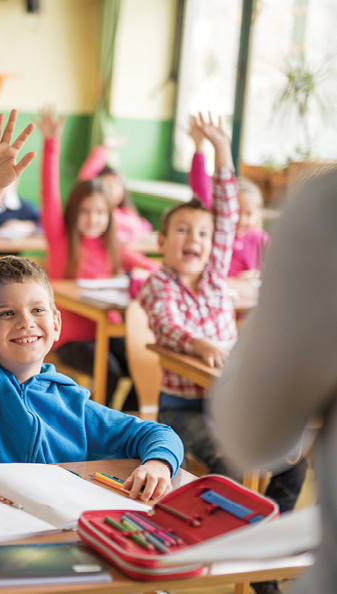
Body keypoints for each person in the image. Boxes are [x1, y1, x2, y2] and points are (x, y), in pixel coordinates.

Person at [0, 109, 183, 501]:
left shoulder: (73, 402)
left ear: (56, 323)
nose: (26, 323)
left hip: (51, 536)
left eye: (38, 311)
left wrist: (158, 462)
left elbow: (159, 433)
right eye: (6, 313)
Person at [139, 113, 306, 594]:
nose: (195, 240)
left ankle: (266, 545)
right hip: (183, 410)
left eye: (203, 235)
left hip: (233, 402)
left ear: (215, 248)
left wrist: (221, 150)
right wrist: (200, 343)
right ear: (162, 242)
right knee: (237, 468)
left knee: (293, 464)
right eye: (183, 232)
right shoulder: (159, 284)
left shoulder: (215, 281)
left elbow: (228, 213)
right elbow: (168, 326)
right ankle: (251, 566)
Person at [212, 169, 337, 594]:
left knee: (289, 462)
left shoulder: (324, 206)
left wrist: (273, 304)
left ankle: (267, 554)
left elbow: (255, 439)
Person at [37, 105, 158, 409]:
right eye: (85, 212)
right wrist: (51, 144)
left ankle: (126, 422)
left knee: (145, 364)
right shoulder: (62, 240)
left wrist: (161, 273)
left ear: (111, 215)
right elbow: (49, 192)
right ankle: (100, 430)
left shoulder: (111, 246)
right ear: (74, 213)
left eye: (100, 213)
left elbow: (145, 264)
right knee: (112, 372)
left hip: (109, 328)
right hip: (71, 338)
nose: (93, 219)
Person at [187, 114, 269, 277]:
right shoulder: (218, 232)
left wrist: (256, 274)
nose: (241, 219)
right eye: (237, 212)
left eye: (249, 214)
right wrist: (199, 148)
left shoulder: (259, 238)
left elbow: (277, 270)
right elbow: (201, 187)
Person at [77, 134, 153, 243]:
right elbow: (84, 181)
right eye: (106, 186)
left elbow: (137, 230)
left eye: (115, 186)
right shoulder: (97, 216)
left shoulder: (126, 215)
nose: (111, 191)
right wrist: (104, 149)